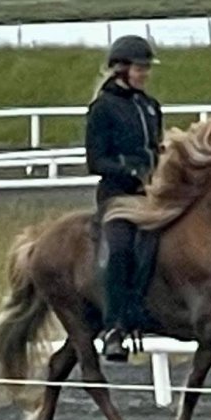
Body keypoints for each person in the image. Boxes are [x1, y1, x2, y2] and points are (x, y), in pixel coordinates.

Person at [85, 35, 164, 362]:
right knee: (120, 249)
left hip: (152, 193)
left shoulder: (150, 106)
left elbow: (157, 148)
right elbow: (96, 160)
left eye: (146, 68)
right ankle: (114, 327)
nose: (145, 73)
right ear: (121, 68)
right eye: (140, 67)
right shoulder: (103, 109)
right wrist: (131, 171)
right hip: (118, 196)